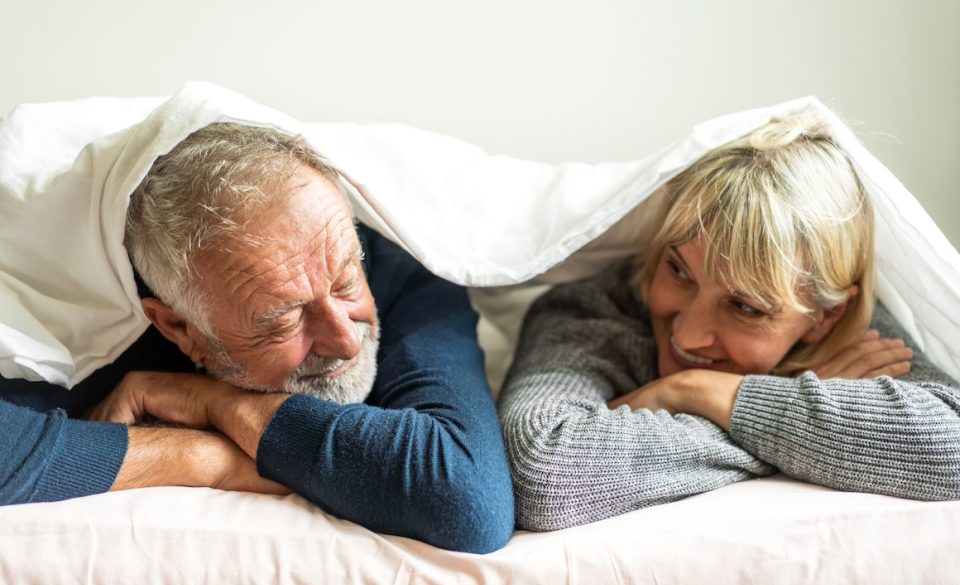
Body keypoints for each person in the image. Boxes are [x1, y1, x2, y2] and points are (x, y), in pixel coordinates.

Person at [0, 123, 514, 553]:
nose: (346, 341)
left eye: (345, 283)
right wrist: (201, 458)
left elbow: (468, 498)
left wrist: (210, 402)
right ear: (179, 328)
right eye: (284, 321)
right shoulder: (84, 314)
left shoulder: (402, 257)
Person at [497, 115, 960, 532]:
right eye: (678, 271)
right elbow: (542, 469)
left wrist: (696, 392)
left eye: (746, 307)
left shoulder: (857, 336)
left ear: (824, 318)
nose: (687, 335)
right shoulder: (594, 309)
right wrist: (789, 407)